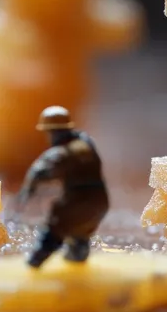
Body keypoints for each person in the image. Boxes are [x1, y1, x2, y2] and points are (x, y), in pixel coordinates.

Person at [17, 105, 109, 268]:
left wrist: (28, 190)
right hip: (100, 202)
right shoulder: (87, 143)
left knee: (51, 236)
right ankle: (77, 266)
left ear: (52, 132)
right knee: (79, 237)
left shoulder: (59, 153)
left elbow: (39, 172)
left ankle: (33, 266)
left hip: (77, 203)